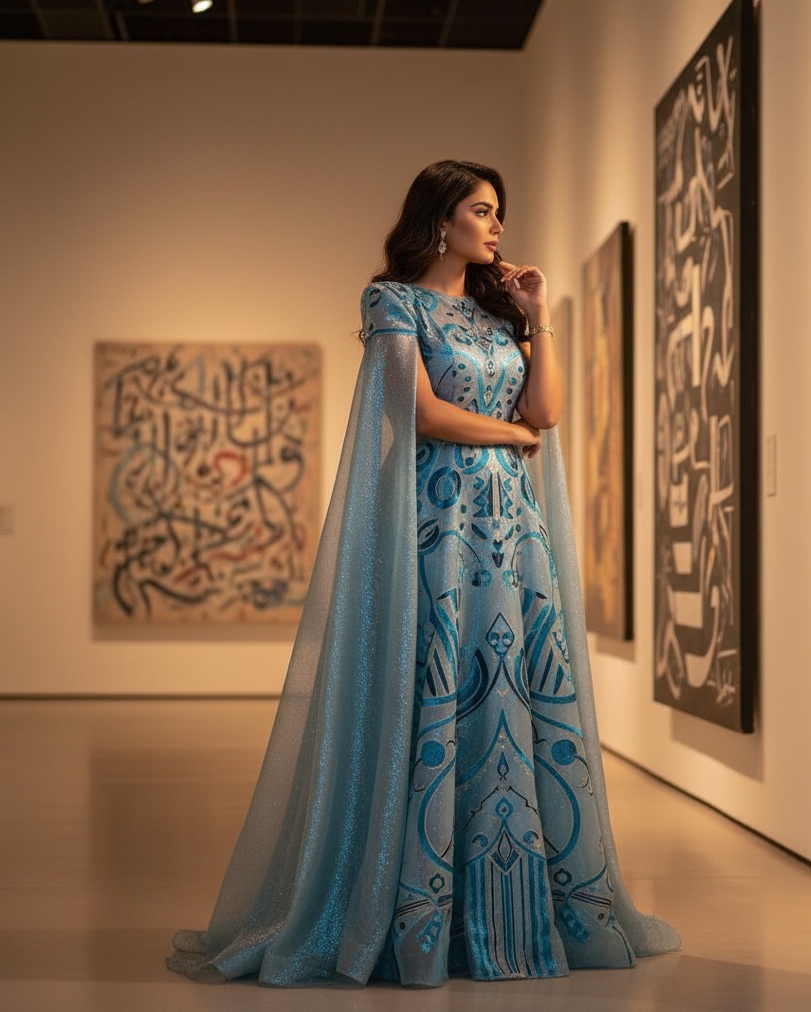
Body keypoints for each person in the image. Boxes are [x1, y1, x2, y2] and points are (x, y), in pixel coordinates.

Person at [168, 159, 680, 988]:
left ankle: (519, 903)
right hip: (439, 526)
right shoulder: (392, 302)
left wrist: (539, 316)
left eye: (499, 213)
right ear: (440, 221)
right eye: (482, 211)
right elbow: (421, 413)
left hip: (513, 533)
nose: (495, 226)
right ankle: (419, 910)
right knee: (440, 689)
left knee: (519, 686)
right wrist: (511, 439)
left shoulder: (495, 312)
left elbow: (545, 410)